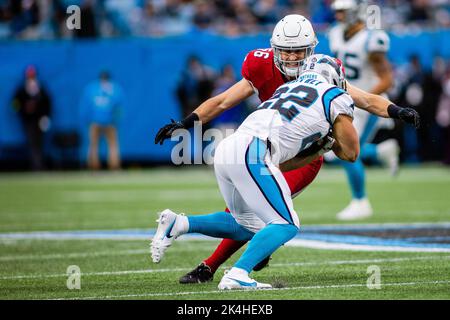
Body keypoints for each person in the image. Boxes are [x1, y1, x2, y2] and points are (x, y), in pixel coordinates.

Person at [154, 14, 420, 284]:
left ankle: (215, 257)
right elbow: (222, 101)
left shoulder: (322, 74)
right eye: (286, 51)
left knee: (256, 213)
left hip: (292, 153)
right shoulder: (294, 75)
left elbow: (364, 99)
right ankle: (230, 265)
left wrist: (396, 111)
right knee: (266, 217)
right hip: (264, 146)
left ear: (310, 51)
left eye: (298, 51)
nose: (292, 57)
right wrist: (187, 122)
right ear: (274, 49)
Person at [151, 54, 359, 290]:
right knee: (286, 223)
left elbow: (226, 103)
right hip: (255, 151)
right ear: (335, 77)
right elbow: (351, 153)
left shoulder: (287, 88)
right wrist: (329, 143)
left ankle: (178, 223)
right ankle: (238, 273)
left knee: (245, 224)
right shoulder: (335, 95)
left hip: (229, 147)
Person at [327, 0, 400, 220]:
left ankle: (360, 201)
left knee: (346, 151)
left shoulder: (371, 39)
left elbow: (387, 79)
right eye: (337, 11)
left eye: (343, 11)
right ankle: (380, 152)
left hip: (366, 104)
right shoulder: (335, 34)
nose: (339, 16)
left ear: (356, 11)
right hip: (345, 101)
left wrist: (363, 97)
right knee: (337, 151)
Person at [79, 71, 123, 170]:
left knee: (93, 145)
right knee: (112, 145)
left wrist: (87, 119)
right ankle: (114, 166)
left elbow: (86, 106)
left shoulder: (91, 88)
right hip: (109, 121)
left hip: (95, 121)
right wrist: (116, 120)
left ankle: (93, 166)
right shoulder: (115, 88)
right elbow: (119, 107)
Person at [12, 65, 52, 170]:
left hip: (39, 120)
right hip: (28, 121)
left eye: (32, 75)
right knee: (32, 143)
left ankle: (39, 164)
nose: (31, 77)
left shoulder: (40, 88)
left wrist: (45, 116)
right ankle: (35, 165)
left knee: (40, 143)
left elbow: (47, 103)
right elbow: (15, 103)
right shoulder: (22, 89)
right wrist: (22, 112)